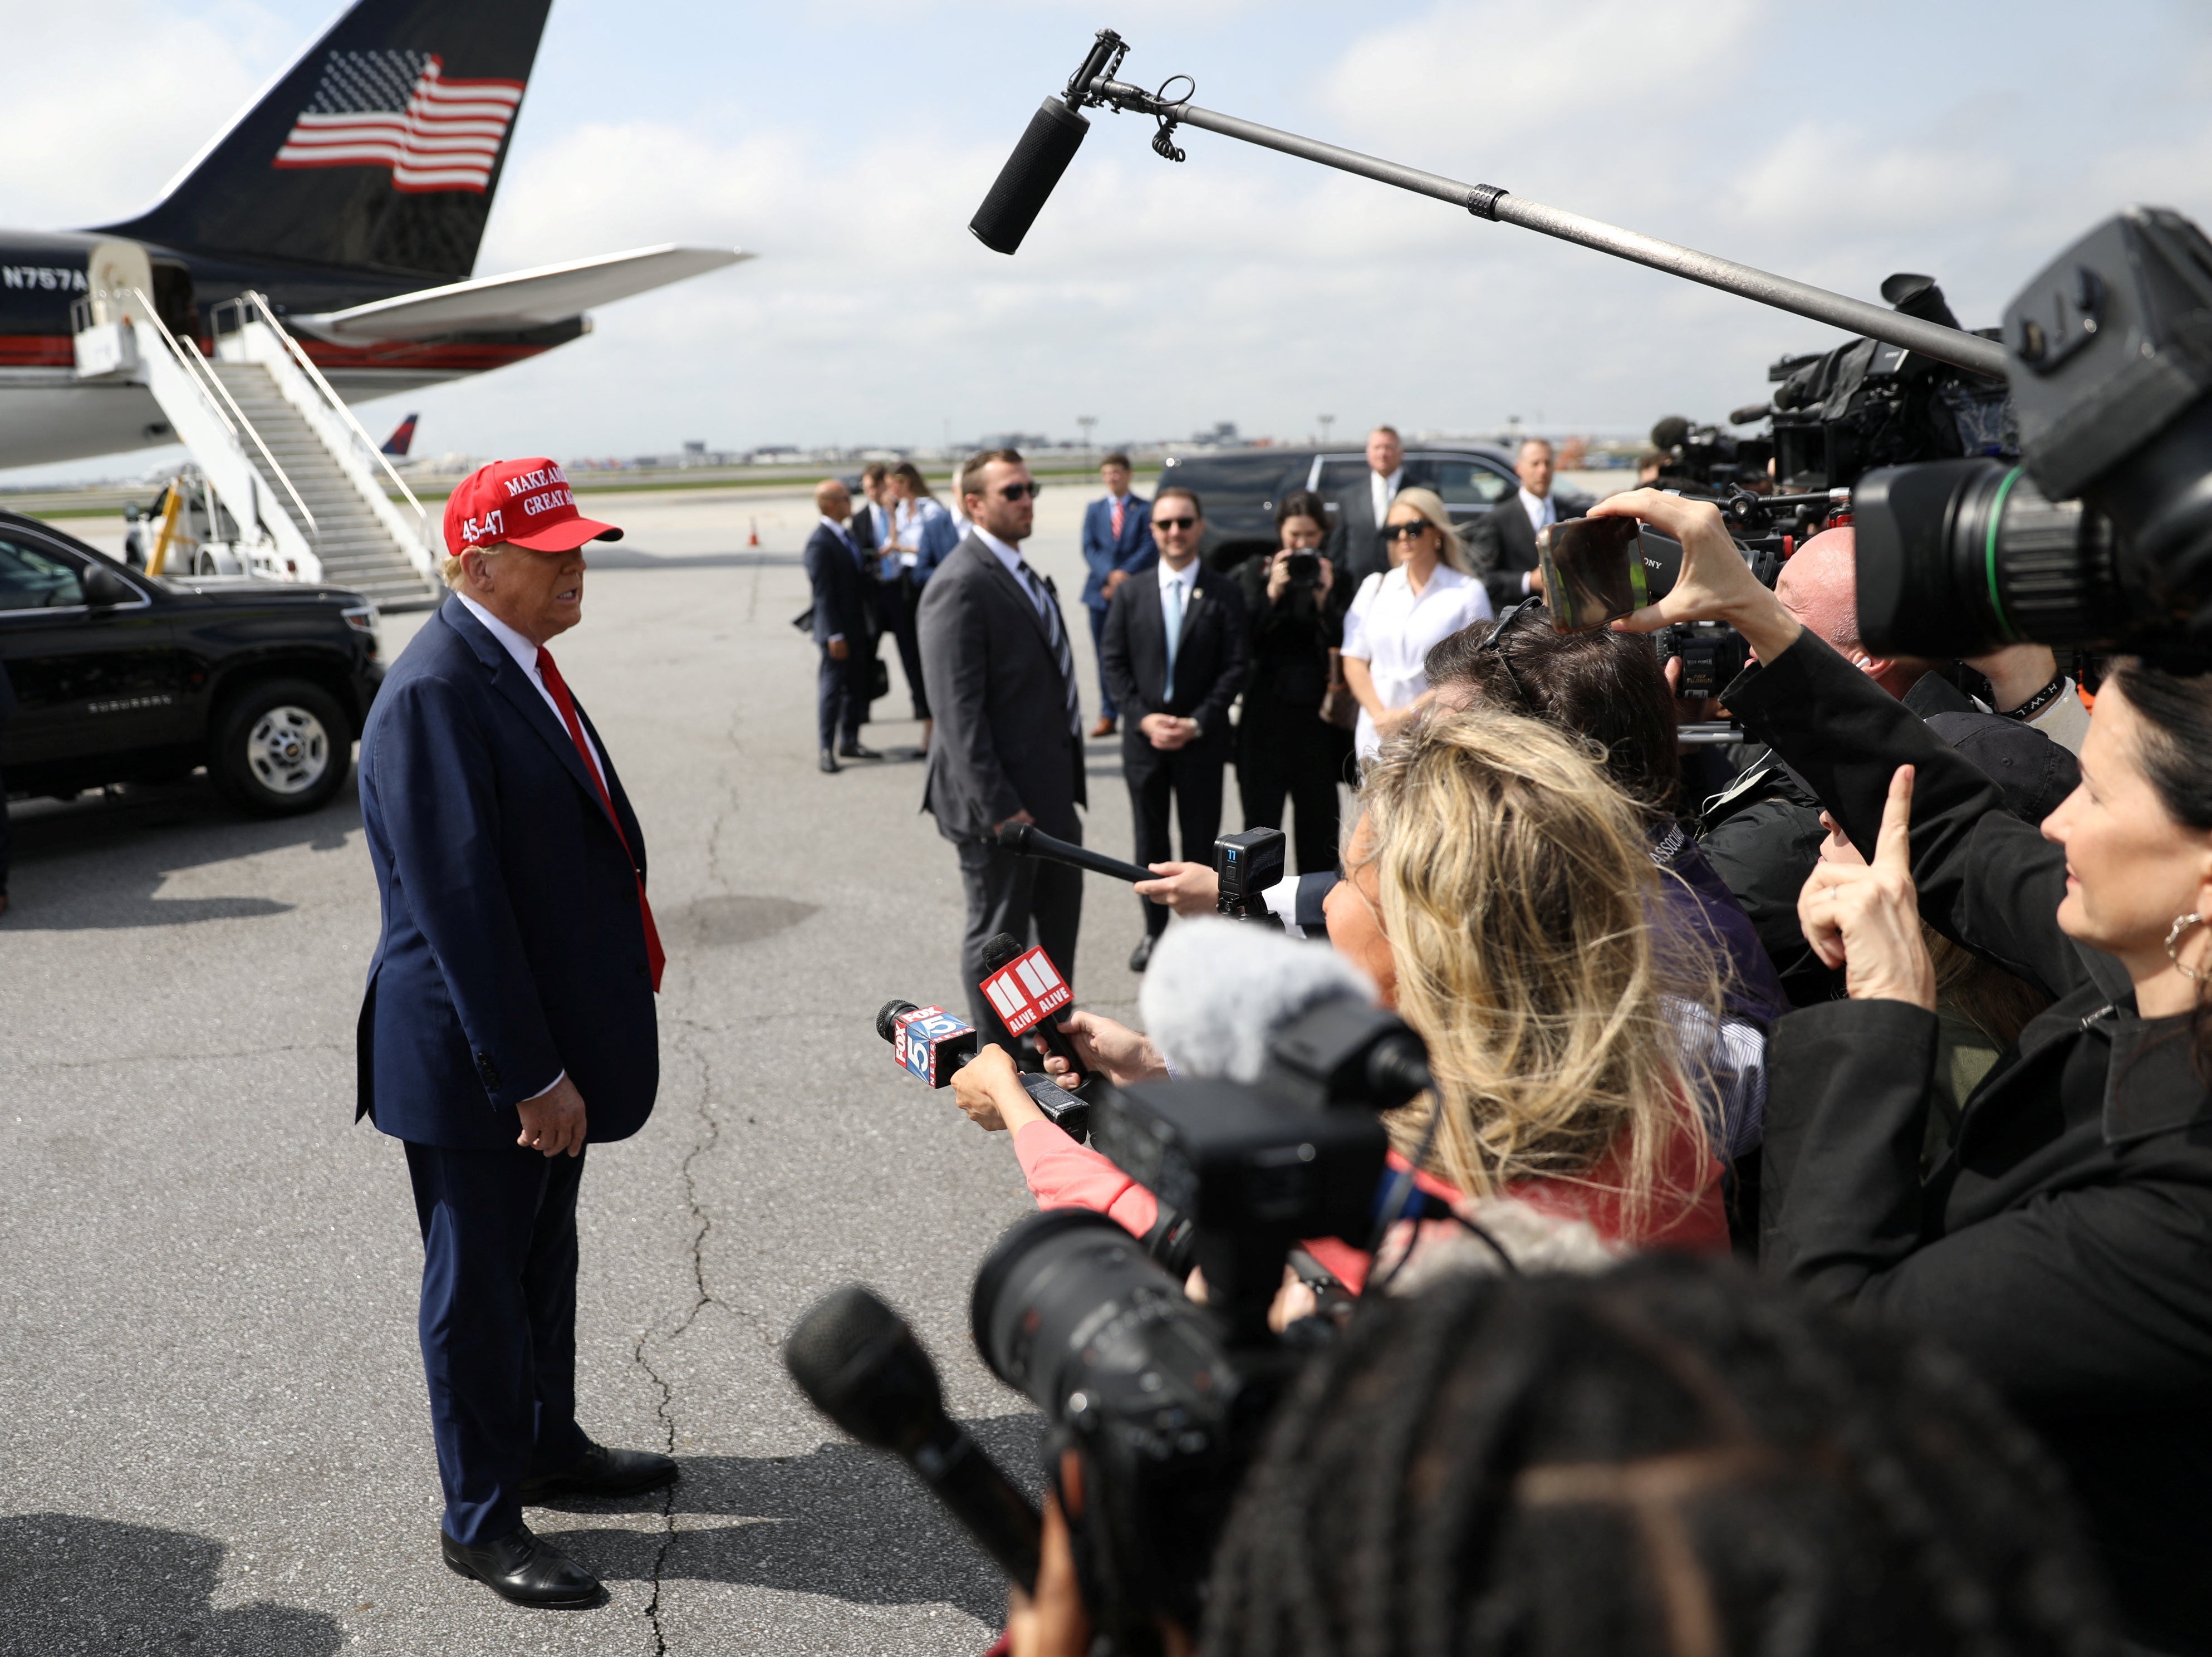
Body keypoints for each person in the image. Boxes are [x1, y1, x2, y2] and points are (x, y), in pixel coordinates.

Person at [1597, 483, 2212, 1651]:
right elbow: (1964, 836)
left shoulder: (2182, 1204)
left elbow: (1831, 1357)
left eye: (2099, 788)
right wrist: (1764, 628)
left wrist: (1885, 1010)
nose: (2061, 818)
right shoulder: (2156, 972)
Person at [954, 708, 1732, 1273]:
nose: (1326, 905)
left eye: (1353, 883)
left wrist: (1026, 1117)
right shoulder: (1655, 1093)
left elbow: (1189, 1261)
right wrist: (1158, 1062)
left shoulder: (1422, 1196)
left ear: (1438, 937)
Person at [354, 459, 674, 1611]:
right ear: (477, 565)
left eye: (583, 546)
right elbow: (460, 911)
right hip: (481, 1063)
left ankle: (547, 1445)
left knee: (544, 1259)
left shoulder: (519, 660)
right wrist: (534, 1074)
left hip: (546, 1041)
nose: (579, 566)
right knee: (476, 1286)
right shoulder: (440, 688)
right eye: (557, 555)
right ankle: (479, 1519)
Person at [1701, 527, 2081, 1006]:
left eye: (1781, 612)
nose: (1749, 636)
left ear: (1872, 657)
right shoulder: (1979, 727)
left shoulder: (1787, 838)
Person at [917, 449, 1088, 1052]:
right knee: (999, 934)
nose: (1026, 500)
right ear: (974, 504)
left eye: (1029, 488)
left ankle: (1048, 1040)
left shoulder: (1017, 570)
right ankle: (1003, 1062)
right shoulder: (959, 584)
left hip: (1046, 794)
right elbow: (957, 713)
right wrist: (1000, 808)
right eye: (1012, 491)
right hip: (1000, 807)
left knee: (1054, 926)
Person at [1100, 485, 1248, 973]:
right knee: (1149, 842)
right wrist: (1142, 717)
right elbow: (1113, 664)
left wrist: (1197, 722)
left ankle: (1201, 936)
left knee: (1200, 841)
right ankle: (1154, 932)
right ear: (1153, 531)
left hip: (1199, 742)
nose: (1175, 532)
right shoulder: (1130, 592)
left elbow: (1234, 667)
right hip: (1145, 742)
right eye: (1165, 524)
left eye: (1184, 522)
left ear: (1200, 527)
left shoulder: (1224, 593)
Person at [1233, 490, 1352, 875]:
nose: (1302, 545)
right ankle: (1257, 918)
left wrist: (1325, 601)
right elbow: (1242, 642)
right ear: (1279, 534)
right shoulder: (1257, 571)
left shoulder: (1337, 577)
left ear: (1323, 535)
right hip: (1264, 717)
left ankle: (1315, 923)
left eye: (1311, 536)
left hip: (1316, 723)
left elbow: (1348, 646)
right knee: (1260, 829)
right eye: (1294, 536)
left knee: (1319, 829)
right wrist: (1271, 592)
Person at [1338, 486, 1490, 765]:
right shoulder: (1375, 586)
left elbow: (1474, 668)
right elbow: (1354, 658)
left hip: (1440, 733)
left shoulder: (1467, 592)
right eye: (1392, 531)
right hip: (1377, 734)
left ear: (1436, 533)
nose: (1402, 538)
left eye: (1413, 528)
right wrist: (1381, 717)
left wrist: (1407, 714)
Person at [803, 479, 879, 773]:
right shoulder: (819, 542)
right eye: (846, 498)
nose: (852, 503)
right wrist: (834, 634)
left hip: (858, 626)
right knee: (832, 690)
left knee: (855, 688)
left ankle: (850, 740)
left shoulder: (846, 536)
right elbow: (823, 595)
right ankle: (826, 748)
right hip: (836, 631)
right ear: (830, 504)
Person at [1080, 453, 1158, 738]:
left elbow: (1149, 547)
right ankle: (1108, 714)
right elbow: (1089, 547)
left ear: (1128, 474)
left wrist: (1123, 577)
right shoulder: (1095, 509)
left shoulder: (1145, 509)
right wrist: (1109, 575)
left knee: (1140, 654)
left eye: (1116, 472)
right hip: (1100, 594)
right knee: (1105, 657)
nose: (1112, 478)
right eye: (1107, 473)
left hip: (1136, 593)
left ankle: (1138, 712)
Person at [858, 462, 926, 725]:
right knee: (867, 653)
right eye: (866, 488)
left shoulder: (903, 511)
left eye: (874, 487)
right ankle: (863, 709)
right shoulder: (862, 517)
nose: (870, 493)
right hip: (876, 593)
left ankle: (921, 706)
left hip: (900, 591)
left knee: (910, 653)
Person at [1469, 436, 1559, 614]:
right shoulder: (1497, 519)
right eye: (1535, 464)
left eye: (1548, 463)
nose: (1542, 471)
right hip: (1520, 620)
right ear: (1519, 468)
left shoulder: (1570, 512)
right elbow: (1481, 577)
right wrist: (1528, 581)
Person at [1323, 424, 1403, 587]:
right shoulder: (1348, 496)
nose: (1382, 453)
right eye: (1377, 447)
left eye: (1389, 447)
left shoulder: (1421, 492)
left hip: (1407, 586)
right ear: (1368, 453)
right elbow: (1339, 547)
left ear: (1401, 452)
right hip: (1357, 588)